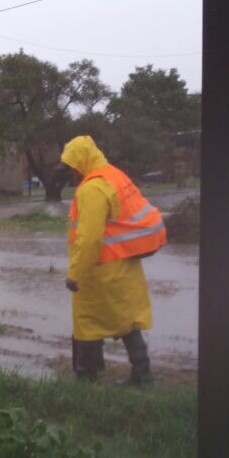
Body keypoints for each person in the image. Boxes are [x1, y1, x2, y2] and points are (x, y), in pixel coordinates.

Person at [60, 135, 166, 384]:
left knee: (87, 323)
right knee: (128, 320)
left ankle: (86, 376)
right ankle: (142, 374)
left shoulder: (91, 189)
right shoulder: (115, 176)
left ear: (81, 162)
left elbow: (89, 239)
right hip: (125, 264)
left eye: (72, 166)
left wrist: (75, 274)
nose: (72, 172)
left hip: (99, 270)